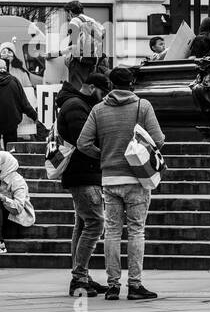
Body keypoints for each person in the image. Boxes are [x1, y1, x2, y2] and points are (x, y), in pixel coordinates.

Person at [75, 66, 165, 300]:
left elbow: (83, 143)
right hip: (136, 178)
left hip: (109, 178)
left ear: (111, 85)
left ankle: (113, 285)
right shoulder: (142, 106)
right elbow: (159, 139)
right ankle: (134, 285)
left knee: (112, 232)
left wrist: (103, 155)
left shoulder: (98, 109)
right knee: (136, 231)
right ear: (132, 83)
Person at [57, 72, 110, 298]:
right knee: (95, 223)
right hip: (83, 174)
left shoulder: (77, 104)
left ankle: (82, 276)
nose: (104, 97)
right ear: (90, 87)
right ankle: (79, 277)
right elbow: (84, 142)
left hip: (81, 174)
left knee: (82, 225)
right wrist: (104, 154)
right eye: (102, 92)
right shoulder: (77, 106)